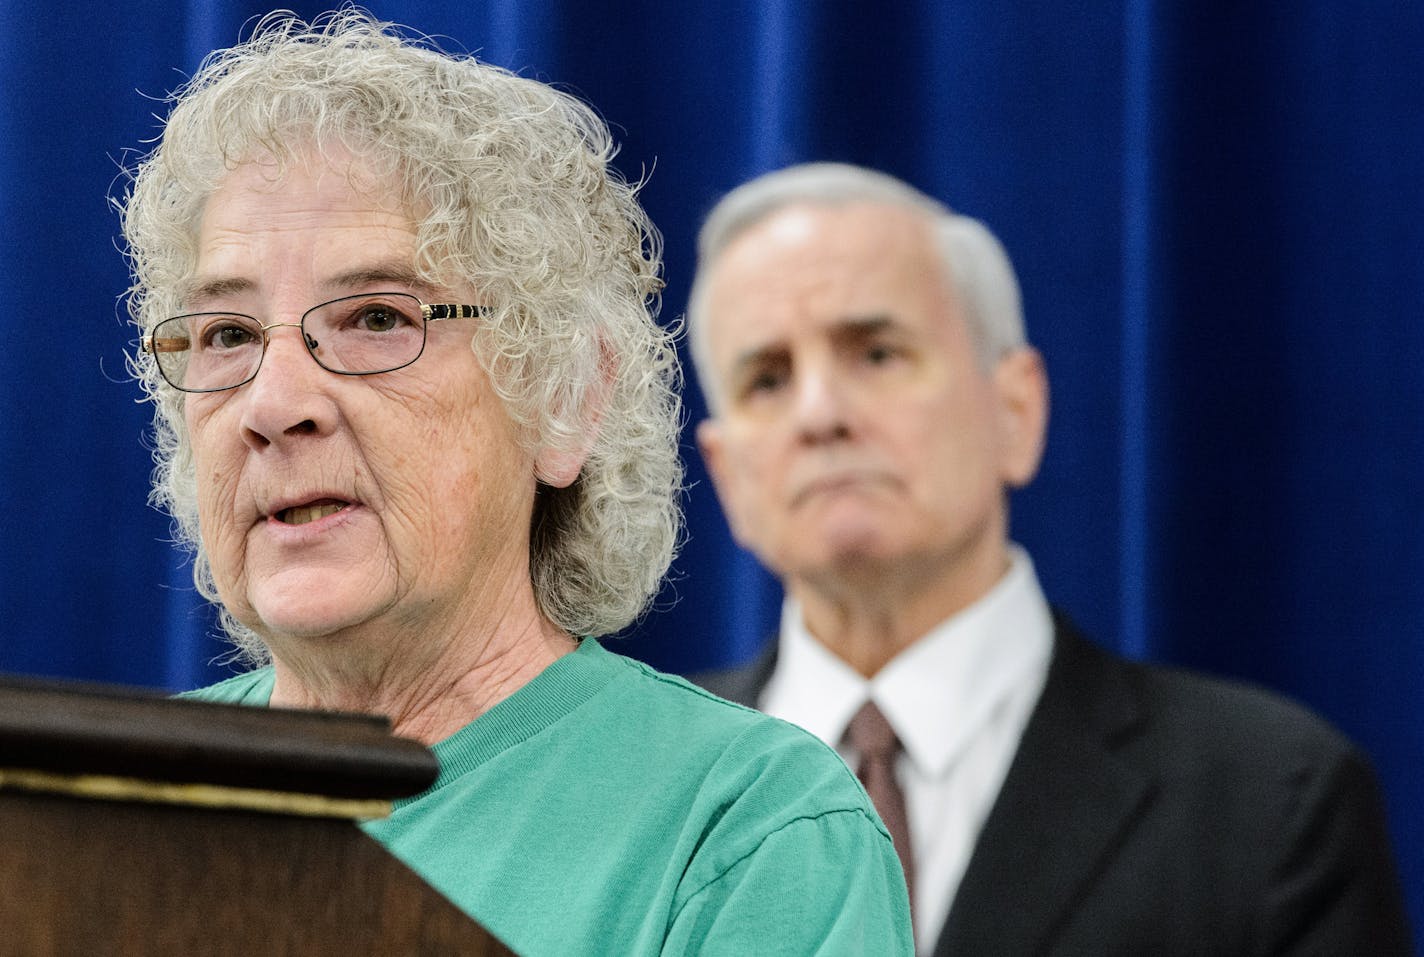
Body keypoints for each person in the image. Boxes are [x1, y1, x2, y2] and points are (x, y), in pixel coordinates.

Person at [118, 15, 912, 955]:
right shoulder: (95, 802)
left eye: (377, 317)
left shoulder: (746, 833)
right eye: (226, 335)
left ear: (565, 398)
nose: (274, 401)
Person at [687, 162, 1414, 955]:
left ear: (1016, 410)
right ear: (728, 474)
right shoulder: (642, 789)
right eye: (768, 378)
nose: (820, 414)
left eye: (877, 353)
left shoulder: (1272, 799)